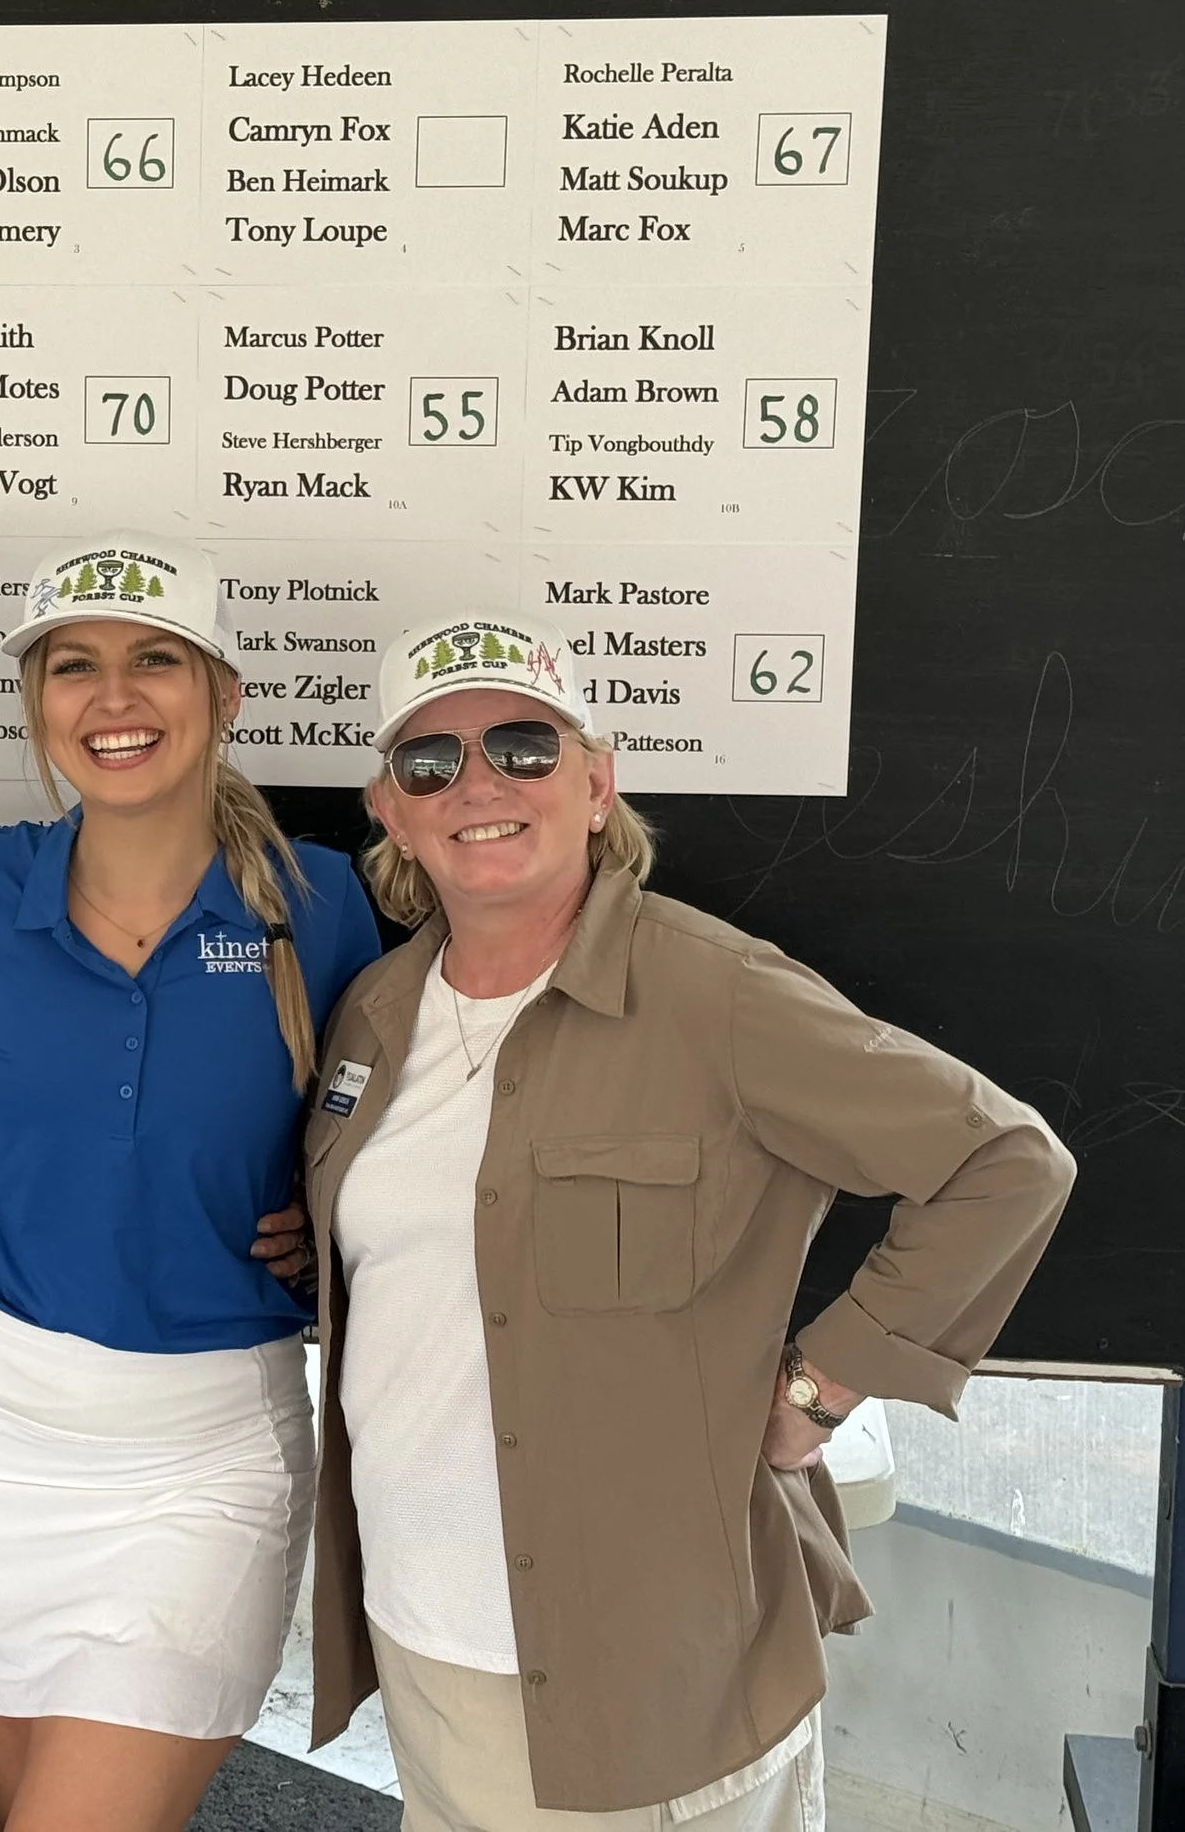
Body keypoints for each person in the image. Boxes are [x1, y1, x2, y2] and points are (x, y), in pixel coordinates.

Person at [304, 609, 1078, 1832]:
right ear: (390, 812)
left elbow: (1004, 1161)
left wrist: (820, 1387)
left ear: (596, 785)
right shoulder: (372, 1012)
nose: (478, 785)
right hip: (423, 1632)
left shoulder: (715, 993)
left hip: (652, 1671)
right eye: (430, 761)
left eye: (523, 747)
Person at [0, 534, 381, 1832]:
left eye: (154, 659)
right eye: (74, 665)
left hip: (203, 1453)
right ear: (37, 700)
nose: (113, 697)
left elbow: (391, 1119)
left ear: (223, 693)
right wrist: (17, 1207)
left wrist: (326, 1219)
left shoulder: (319, 902)